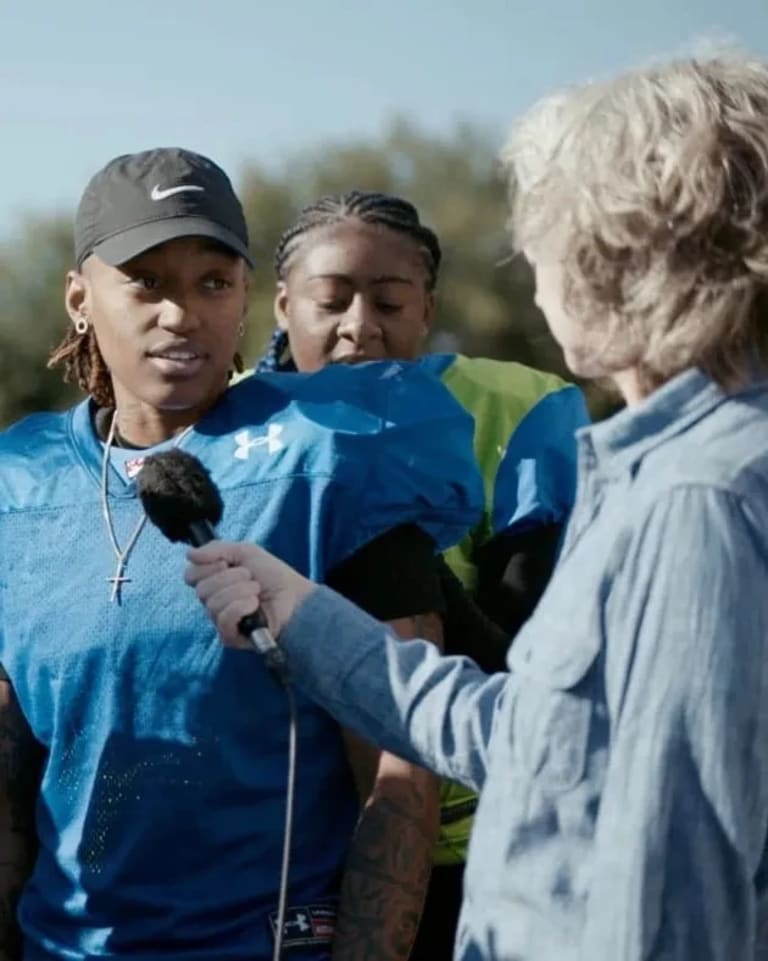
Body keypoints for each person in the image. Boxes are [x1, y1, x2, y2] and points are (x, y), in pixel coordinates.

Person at [187, 53, 768, 961]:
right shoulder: (675, 471)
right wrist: (307, 617)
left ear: (613, 256)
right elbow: (538, 739)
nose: (533, 275)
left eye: (538, 240)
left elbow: (674, 886)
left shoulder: (698, 500)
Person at [0, 147, 484, 961]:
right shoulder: (21, 482)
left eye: (211, 283)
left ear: (247, 298)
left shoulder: (336, 452)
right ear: (81, 299)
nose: (181, 313)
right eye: (146, 282)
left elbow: (401, 771)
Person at [255, 190, 590, 956]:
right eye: (331, 300)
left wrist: (403, 566)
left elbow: (542, 669)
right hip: (286, 844)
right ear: (281, 305)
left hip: (483, 846)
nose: (360, 326)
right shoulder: (232, 423)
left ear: (429, 308)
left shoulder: (518, 411)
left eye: (391, 301)